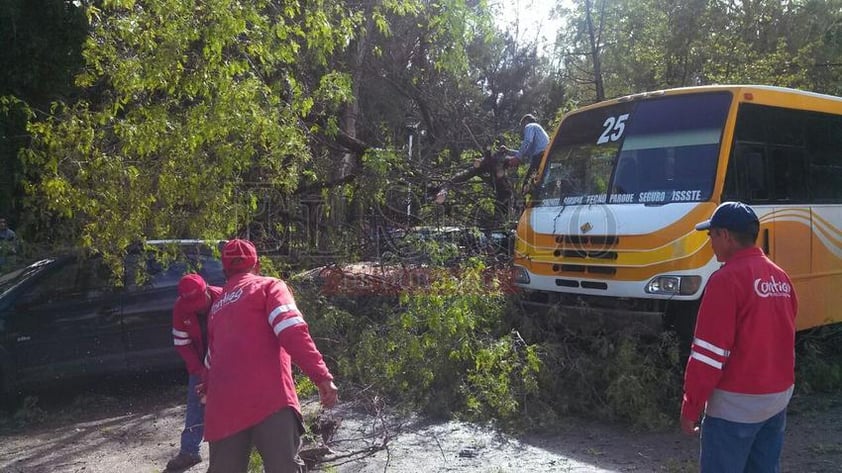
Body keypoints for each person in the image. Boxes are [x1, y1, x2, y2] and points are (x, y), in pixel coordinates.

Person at [202, 239, 338, 473]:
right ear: (258, 265)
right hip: (270, 400)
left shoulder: (217, 307)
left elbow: (211, 359)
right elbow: (292, 331)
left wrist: (205, 386)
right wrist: (321, 376)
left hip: (223, 409)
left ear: (225, 270)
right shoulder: (269, 287)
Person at [681, 202, 798, 473]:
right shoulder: (780, 277)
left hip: (735, 405)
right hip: (776, 399)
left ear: (725, 236)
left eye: (711, 235)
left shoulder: (726, 280)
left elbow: (709, 355)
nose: (710, 243)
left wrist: (691, 406)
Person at [165, 274, 223, 471]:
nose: (198, 307)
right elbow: (182, 344)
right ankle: (189, 451)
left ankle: (242, 447)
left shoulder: (223, 299)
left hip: (227, 360)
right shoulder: (180, 308)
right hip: (199, 362)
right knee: (195, 401)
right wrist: (199, 372)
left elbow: (230, 337)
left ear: (207, 289)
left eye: (200, 301)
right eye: (192, 304)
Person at [500, 114, 550, 193]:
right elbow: (526, 153)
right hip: (545, 156)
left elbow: (527, 141)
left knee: (527, 183)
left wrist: (517, 158)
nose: (523, 129)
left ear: (525, 122)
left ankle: (525, 202)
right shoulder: (538, 131)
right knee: (539, 182)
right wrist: (508, 151)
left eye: (522, 126)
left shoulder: (530, 126)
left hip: (539, 156)